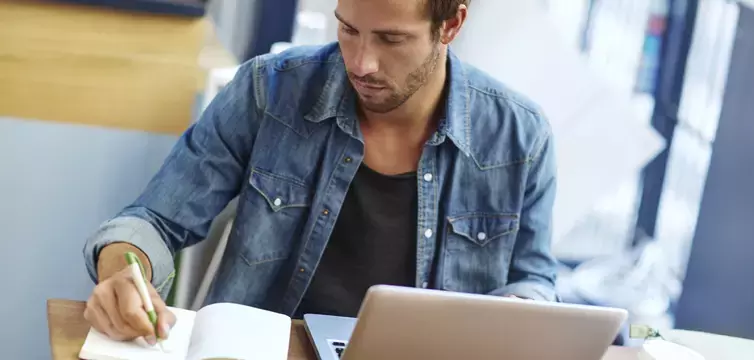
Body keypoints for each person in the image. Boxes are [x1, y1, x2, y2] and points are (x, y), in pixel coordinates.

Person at [82, 0, 559, 346]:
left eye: (391, 38)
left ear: (452, 22)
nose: (361, 62)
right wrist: (124, 271)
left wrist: (523, 315)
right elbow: (153, 220)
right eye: (348, 29)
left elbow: (532, 278)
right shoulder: (267, 92)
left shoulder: (519, 136)